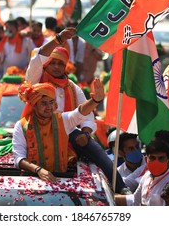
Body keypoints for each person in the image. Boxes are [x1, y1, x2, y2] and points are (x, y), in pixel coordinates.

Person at [25, 27, 126, 192]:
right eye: (53, 62)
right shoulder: (36, 79)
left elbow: (86, 115)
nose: (56, 67)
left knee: (97, 151)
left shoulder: (73, 88)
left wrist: (85, 133)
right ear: (46, 64)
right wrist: (58, 39)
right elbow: (37, 60)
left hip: (66, 129)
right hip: (36, 127)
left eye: (60, 64)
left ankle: (121, 188)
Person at [13, 79, 130, 194]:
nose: (49, 107)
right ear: (34, 105)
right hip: (32, 181)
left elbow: (80, 113)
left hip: (60, 181)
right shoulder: (22, 126)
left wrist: (95, 101)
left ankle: (120, 186)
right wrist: (38, 170)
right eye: (44, 103)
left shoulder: (62, 120)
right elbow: (19, 158)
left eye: (51, 102)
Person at [115, 139, 169, 206]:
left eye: (161, 158)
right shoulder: (146, 176)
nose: (156, 162)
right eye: (152, 158)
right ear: (146, 159)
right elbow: (135, 202)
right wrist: (112, 197)